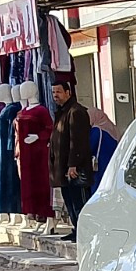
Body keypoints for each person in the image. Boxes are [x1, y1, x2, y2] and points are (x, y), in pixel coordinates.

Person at [49, 79, 93, 241]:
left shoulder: (76, 112)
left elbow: (78, 141)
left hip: (75, 169)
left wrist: (73, 165)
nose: (55, 95)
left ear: (68, 92)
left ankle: (84, 232)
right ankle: (76, 229)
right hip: (63, 167)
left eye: (59, 92)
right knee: (70, 201)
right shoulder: (62, 112)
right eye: (53, 92)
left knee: (79, 201)